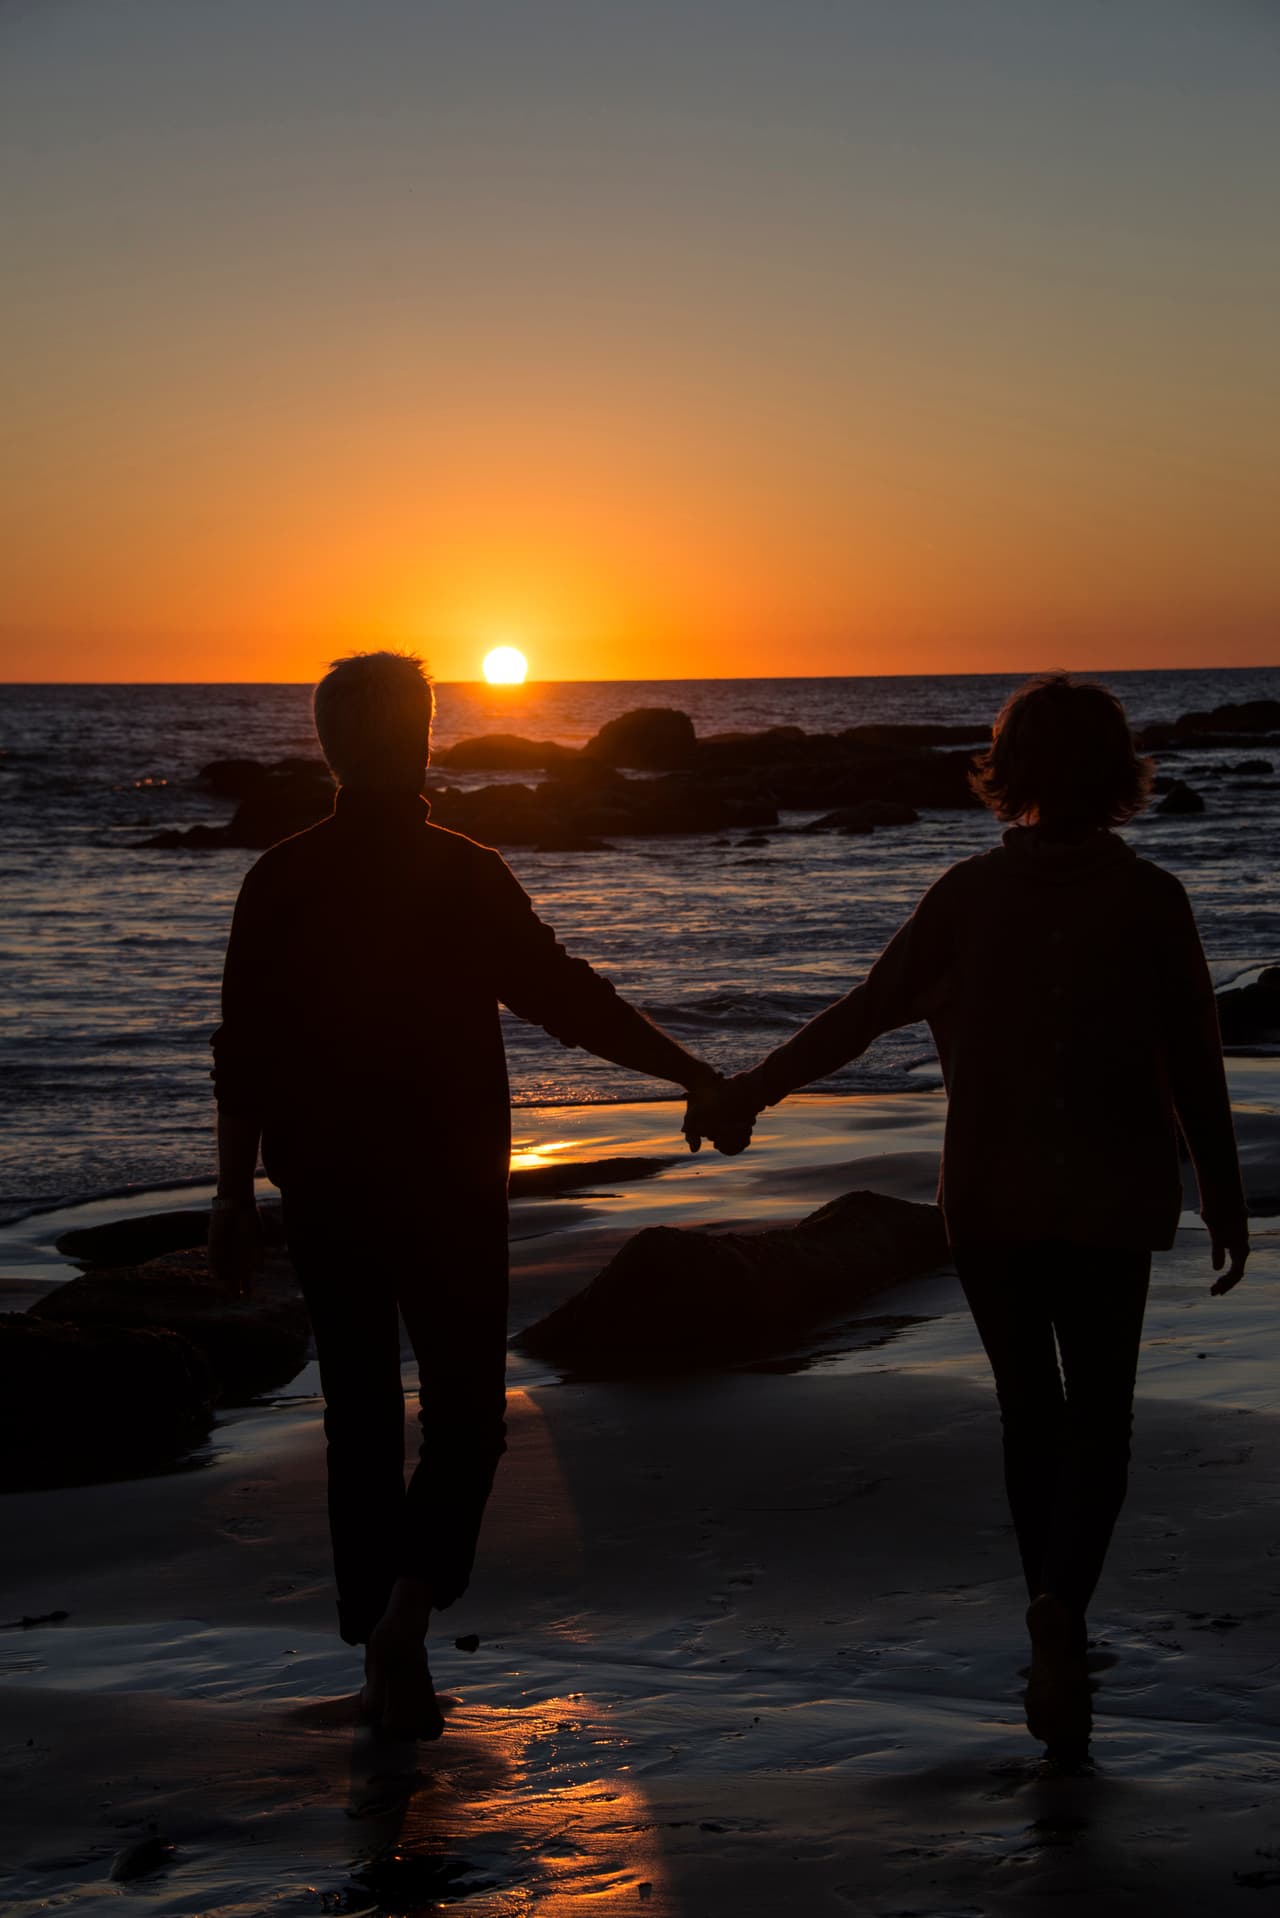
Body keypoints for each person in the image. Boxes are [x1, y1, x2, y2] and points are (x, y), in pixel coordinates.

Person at [691, 672, 1249, 1766]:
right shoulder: (1150, 898)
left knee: (1028, 1417)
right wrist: (1220, 1192)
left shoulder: (965, 895)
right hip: (1109, 1196)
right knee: (1101, 1422)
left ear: (1012, 772)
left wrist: (748, 1091)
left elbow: (861, 1015)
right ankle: (1061, 1609)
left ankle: (1045, 1613)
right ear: (1117, 772)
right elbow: (1195, 1058)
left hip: (990, 1202)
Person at [208, 651, 746, 1738]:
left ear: (329, 745)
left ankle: (380, 1642)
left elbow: (243, 1053)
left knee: (358, 1416)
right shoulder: (461, 871)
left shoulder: (281, 877)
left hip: (324, 1183)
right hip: (448, 1184)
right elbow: (569, 1001)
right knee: (465, 1416)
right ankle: (404, 1616)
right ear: (420, 739)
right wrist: (691, 1071)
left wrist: (230, 1195)